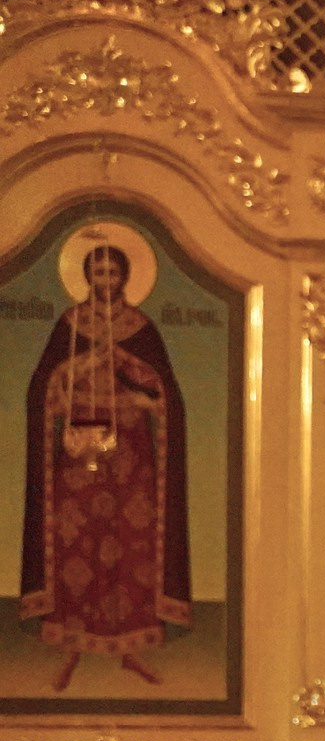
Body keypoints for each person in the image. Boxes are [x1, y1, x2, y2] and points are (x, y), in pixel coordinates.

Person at [21, 238, 191, 690]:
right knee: (76, 540)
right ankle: (72, 648)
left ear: (124, 277)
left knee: (131, 543)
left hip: (132, 453)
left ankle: (131, 649)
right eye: (99, 273)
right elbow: (42, 391)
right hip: (80, 449)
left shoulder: (142, 328)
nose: (106, 281)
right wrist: (80, 367)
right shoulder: (69, 325)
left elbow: (165, 396)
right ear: (87, 277)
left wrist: (141, 390)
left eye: (113, 273)